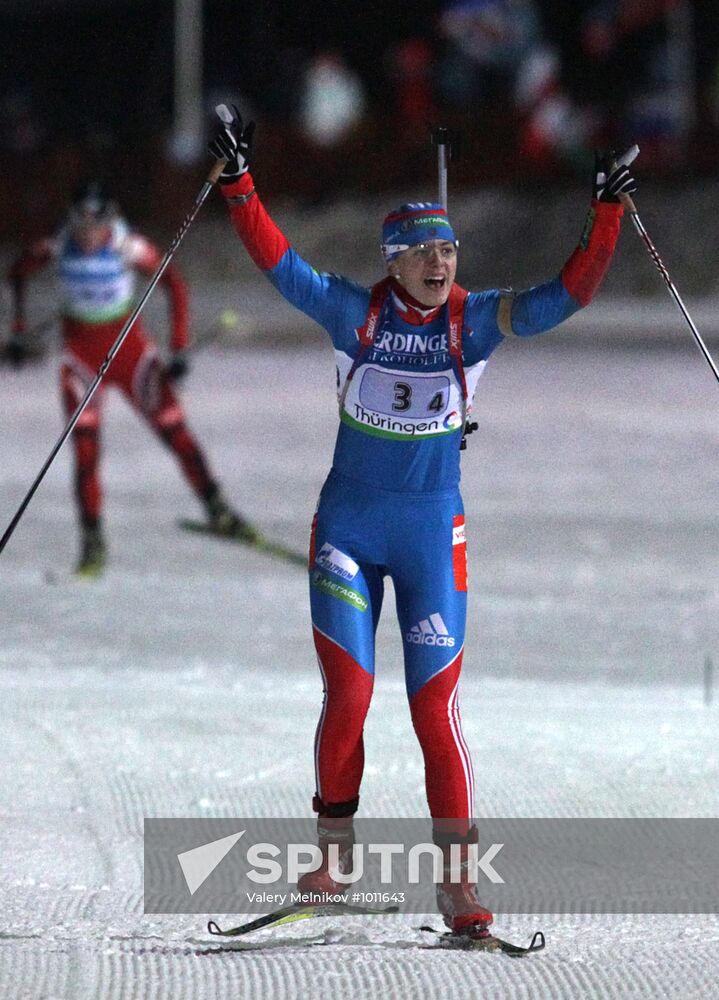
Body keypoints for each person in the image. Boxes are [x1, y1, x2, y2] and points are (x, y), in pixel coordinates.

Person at [208, 108, 636, 937]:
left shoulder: (471, 322)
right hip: (348, 529)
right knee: (350, 695)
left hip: (430, 535)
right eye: (424, 252)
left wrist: (606, 210)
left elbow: (568, 296)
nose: (442, 262)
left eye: (449, 250)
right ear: (393, 261)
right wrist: (239, 184)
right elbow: (279, 262)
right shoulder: (350, 314)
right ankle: (331, 861)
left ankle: (457, 883)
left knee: (434, 708)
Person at [3, 181, 252, 576]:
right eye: (80, 225)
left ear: (110, 220)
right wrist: (17, 330)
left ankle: (217, 508)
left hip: (130, 355)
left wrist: (179, 346)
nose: (88, 234)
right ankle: (92, 542)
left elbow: (174, 282)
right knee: (85, 454)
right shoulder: (56, 245)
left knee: (176, 431)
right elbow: (17, 270)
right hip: (80, 360)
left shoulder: (127, 246)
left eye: (96, 225)